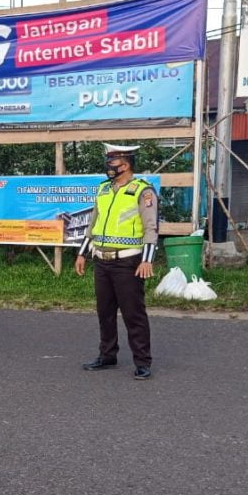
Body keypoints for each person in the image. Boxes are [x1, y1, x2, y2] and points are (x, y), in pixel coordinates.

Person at [75, 149, 158, 379]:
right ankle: (107, 355)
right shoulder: (103, 189)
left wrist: (147, 259)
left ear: (127, 164)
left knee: (134, 314)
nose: (110, 165)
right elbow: (93, 224)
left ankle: (142, 362)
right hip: (101, 260)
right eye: (109, 161)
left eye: (114, 161)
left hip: (127, 262)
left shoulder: (142, 190)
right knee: (105, 312)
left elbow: (151, 227)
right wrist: (83, 254)